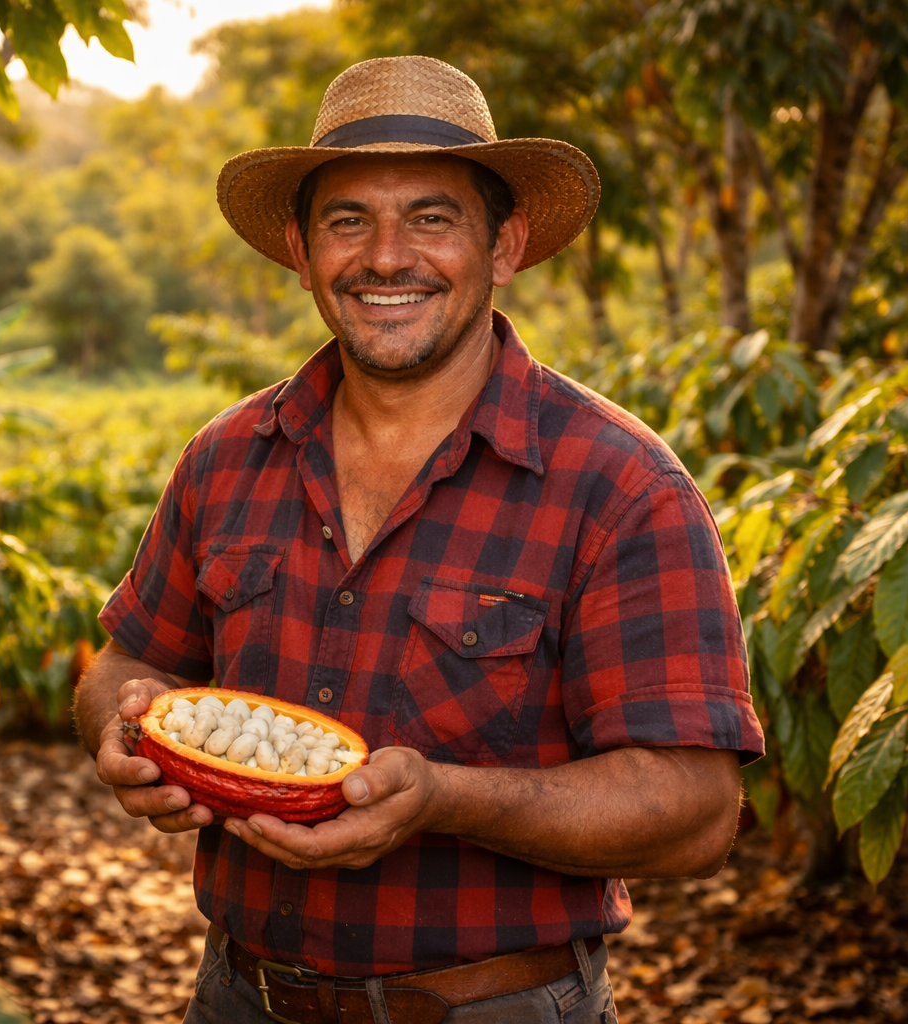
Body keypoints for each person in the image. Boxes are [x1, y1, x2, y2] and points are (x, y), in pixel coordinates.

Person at [76, 55, 764, 1024]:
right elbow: (127, 660)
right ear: (301, 249)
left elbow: (695, 812)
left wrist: (442, 799)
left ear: (504, 245)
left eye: (432, 218)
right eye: (347, 220)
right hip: (238, 996)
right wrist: (125, 733)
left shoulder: (618, 485)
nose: (387, 257)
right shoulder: (227, 457)